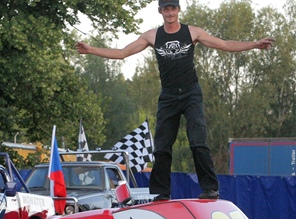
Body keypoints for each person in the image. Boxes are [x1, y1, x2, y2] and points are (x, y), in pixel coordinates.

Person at [76, 0, 274, 201]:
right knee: (162, 145)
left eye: (173, 8)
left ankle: (210, 188)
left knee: (197, 141)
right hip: (168, 96)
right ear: (160, 11)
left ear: (178, 10)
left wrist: (254, 44)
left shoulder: (193, 32)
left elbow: (224, 45)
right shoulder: (152, 36)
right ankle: (161, 192)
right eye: (166, 9)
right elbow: (122, 53)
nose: (170, 13)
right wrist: (91, 49)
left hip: (191, 93)